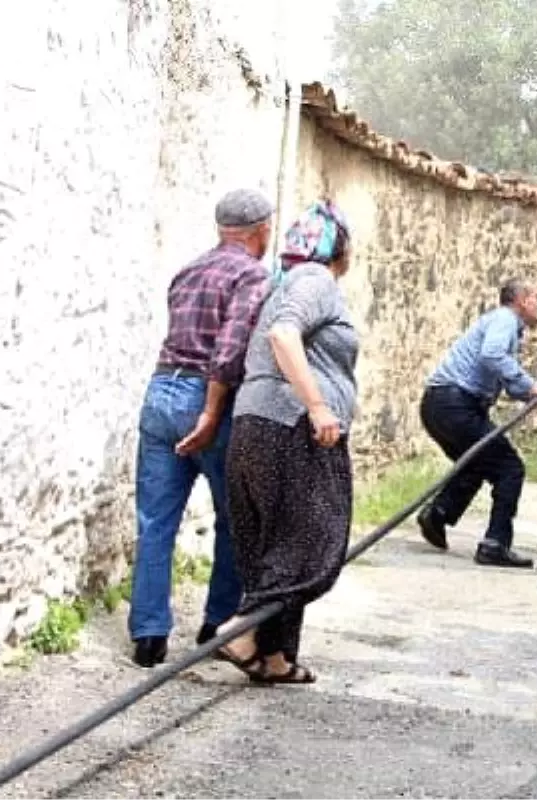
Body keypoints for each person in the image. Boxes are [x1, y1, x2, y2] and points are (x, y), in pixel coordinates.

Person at [127, 188, 274, 668]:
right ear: (260, 231)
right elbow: (229, 348)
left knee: (155, 522)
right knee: (233, 518)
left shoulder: (188, 270)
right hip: (205, 397)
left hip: (160, 390)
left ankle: (148, 636)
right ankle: (216, 625)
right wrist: (211, 412)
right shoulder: (252, 274)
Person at [216, 200, 359, 685]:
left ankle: (274, 657)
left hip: (255, 423)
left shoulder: (284, 281)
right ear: (339, 248)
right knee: (315, 540)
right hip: (293, 428)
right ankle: (243, 628)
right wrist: (318, 406)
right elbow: (284, 335)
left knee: (272, 544)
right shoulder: (316, 280)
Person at [416, 279, 537, 569]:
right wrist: (533, 386)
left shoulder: (503, 326)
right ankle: (495, 544)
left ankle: (437, 514)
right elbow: (491, 355)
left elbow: (513, 385)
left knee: (478, 463)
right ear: (523, 300)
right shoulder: (505, 319)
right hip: (456, 404)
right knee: (508, 468)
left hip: (440, 404)